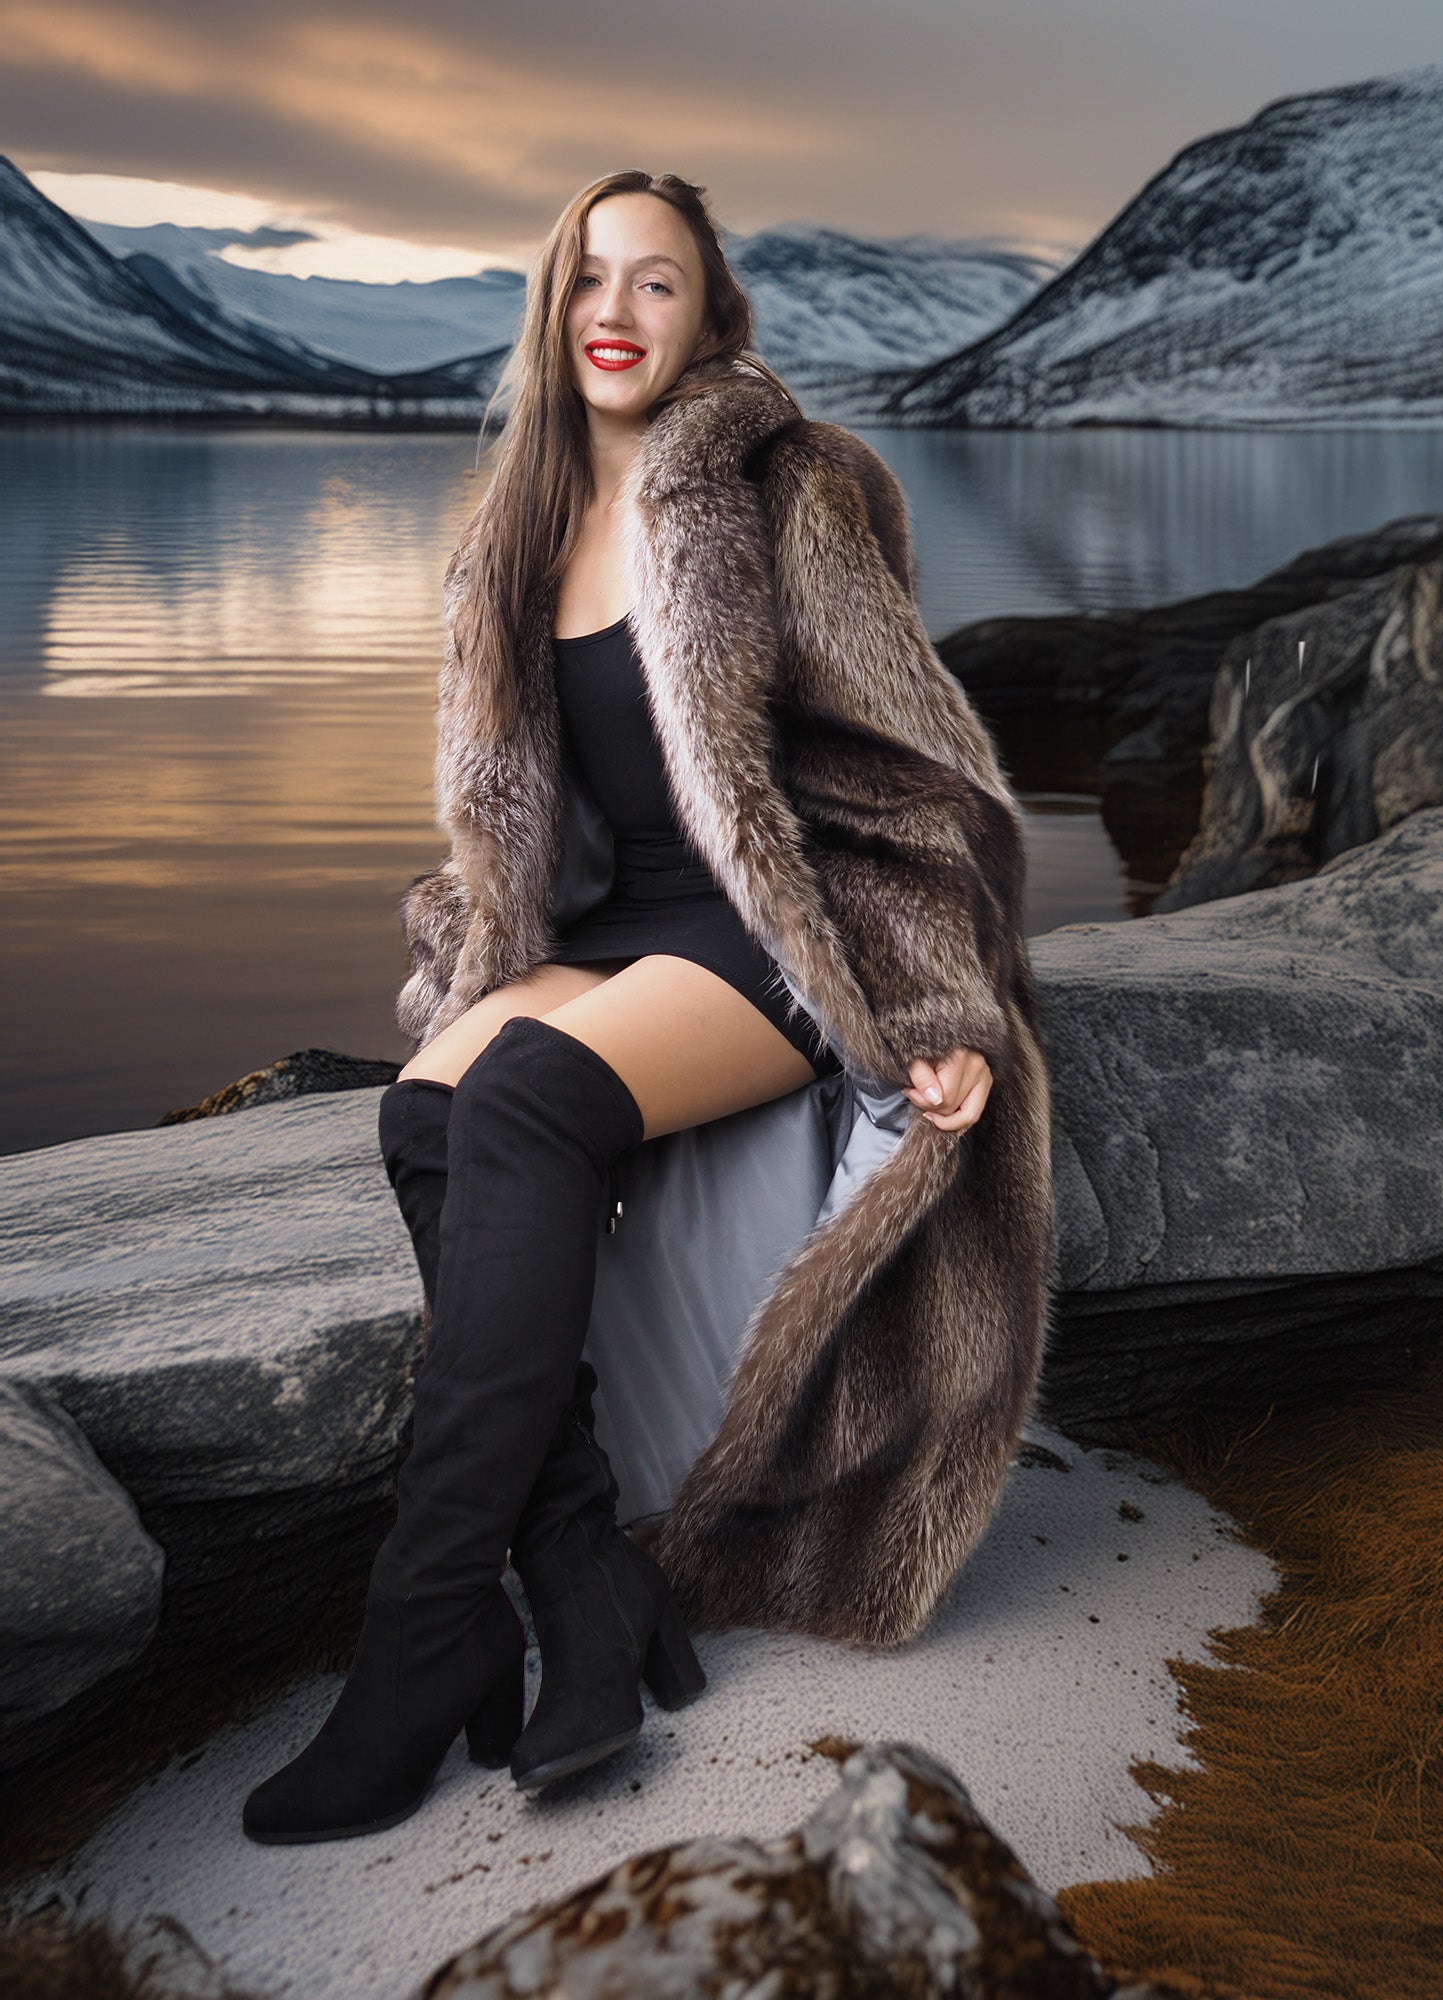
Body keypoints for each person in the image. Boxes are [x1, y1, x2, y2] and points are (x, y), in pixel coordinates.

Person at [242, 169, 1051, 1849]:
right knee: (432, 1104)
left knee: (528, 1096)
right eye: (588, 277)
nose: (615, 308)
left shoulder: (795, 487)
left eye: (657, 282)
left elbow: (920, 776)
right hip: (612, 932)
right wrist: (474, 941)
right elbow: (509, 832)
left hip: (773, 930)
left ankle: (421, 1629)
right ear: (554, 308)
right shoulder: (512, 531)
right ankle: (578, 1575)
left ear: (709, 319)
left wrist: (931, 991)